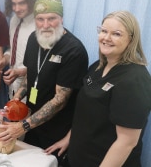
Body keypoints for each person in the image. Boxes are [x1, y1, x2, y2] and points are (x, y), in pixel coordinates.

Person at [46, 11, 151, 167]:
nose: (106, 38)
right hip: (79, 157)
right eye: (103, 31)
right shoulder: (97, 67)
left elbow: (127, 142)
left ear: (131, 39)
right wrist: (69, 138)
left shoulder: (135, 79)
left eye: (116, 34)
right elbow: (86, 114)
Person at [0, 0, 88, 166]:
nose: (45, 25)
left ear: (61, 18)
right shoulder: (33, 39)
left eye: (51, 18)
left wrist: (23, 126)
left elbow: (60, 100)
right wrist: (14, 103)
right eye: (40, 19)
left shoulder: (73, 50)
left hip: (58, 131)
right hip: (33, 126)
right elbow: (30, 78)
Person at [0, 0, 40, 102]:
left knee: (30, 114)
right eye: (13, 4)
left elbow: (44, 64)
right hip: (13, 87)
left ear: (31, 1)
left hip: (33, 88)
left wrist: (20, 72)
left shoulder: (40, 24)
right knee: (13, 118)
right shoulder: (14, 20)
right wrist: (4, 60)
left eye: (21, 3)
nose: (16, 9)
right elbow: (13, 49)